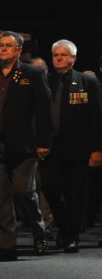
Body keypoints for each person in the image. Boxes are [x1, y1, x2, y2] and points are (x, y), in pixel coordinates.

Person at [0, 31, 52, 260]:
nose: (2, 49)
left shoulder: (32, 73)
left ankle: (39, 231)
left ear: (18, 50)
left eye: (8, 46)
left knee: (25, 192)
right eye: (0, 45)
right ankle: (6, 246)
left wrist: (44, 142)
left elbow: (44, 110)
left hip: (24, 145)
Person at [41, 39, 102, 253]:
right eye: (55, 55)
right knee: (49, 186)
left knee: (76, 194)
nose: (59, 58)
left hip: (77, 148)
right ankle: (65, 226)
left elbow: (96, 118)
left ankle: (71, 236)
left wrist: (97, 149)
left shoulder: (87, 81)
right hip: (50, 148)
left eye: (63, 55)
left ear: (73, 58)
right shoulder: (44, 80)